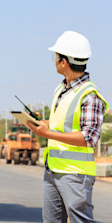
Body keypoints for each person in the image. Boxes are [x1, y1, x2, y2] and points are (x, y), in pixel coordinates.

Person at [27, 31, 109, 223]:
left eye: (56, 57)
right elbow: (59, 126)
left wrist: (49, 134)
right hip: (53, 170)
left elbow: (89, 137)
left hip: (75, 174)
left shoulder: (89, 96)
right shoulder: (62, 89)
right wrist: (40, 125)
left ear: (64, 62)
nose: (54, 60)